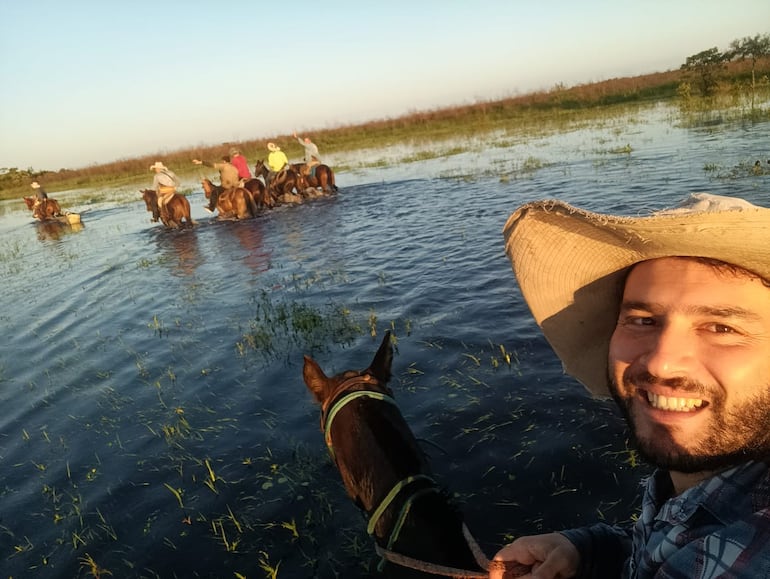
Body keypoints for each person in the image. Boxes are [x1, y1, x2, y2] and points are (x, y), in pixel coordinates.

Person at [491, 192, 770, 579]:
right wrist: (587, 549)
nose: (660, 362)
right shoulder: (702, 482)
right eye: (642, 320)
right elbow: (671, 542)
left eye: (721, 328)